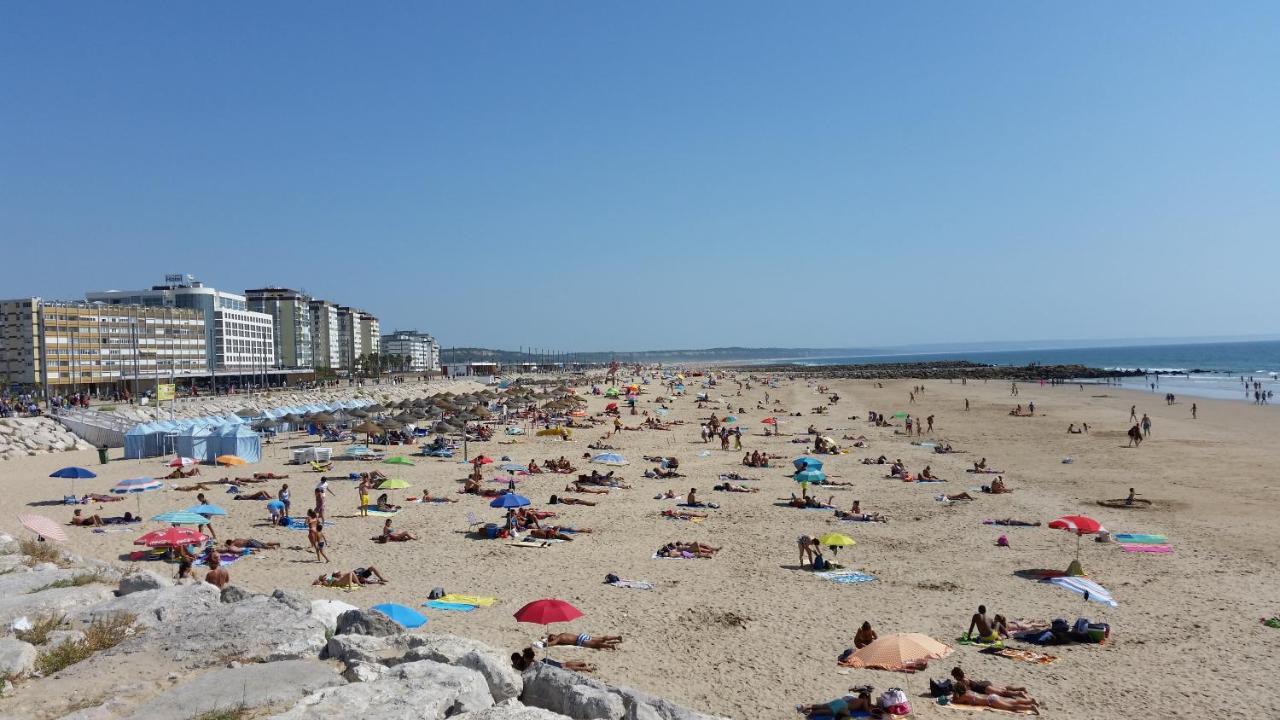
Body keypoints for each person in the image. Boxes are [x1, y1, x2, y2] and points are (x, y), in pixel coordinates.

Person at [951, 679, 1039, 714]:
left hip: (991, 701)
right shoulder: (968, 692)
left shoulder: (963, 697)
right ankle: (1030, 701)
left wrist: (955, 694)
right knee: (1012, 702)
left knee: (1011, 707)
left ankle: (1031, 707)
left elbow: (954, 701)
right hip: (991, 697)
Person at [950, 667, 1029, 699]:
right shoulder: (964, 678)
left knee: (1002, 693)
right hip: (983, 684)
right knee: (1002, 689)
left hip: (983, 688)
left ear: (957, 676)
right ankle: (1020, 688)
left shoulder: (964, 681)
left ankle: (1019, 693)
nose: (954, 678)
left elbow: (964, 691)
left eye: (954, 676)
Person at [795, 689, 873, 718]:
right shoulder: (864, 701)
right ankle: (808, 713)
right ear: (865, 698)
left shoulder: (856, 699)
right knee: (826, 712)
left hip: (839, 701)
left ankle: (804, 706)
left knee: (822, 706)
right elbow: (866, 710)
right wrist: (871, 710)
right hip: (843, 706)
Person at [313, 566, 388, 586]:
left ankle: (381, 578)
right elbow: (323, 583)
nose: (340, 572)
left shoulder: (341, 575)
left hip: (359, 575)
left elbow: (350, 573)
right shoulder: (334, 578)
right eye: (338, 572)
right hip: (359, 579)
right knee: (364, 579)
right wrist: (319, 581)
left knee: (372, 567)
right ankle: (378, 582)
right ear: (336, 574)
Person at [542, 632, 623, 650]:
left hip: (580, 640)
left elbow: (551, 644)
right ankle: (617, 637)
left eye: (551, 637)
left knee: (596, 644)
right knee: (601, 638)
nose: (552, 638)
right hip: (582, 635)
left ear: (554, 636)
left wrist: (544, 642)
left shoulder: (559, 637)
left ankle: (610, 646)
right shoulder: (562, 634)